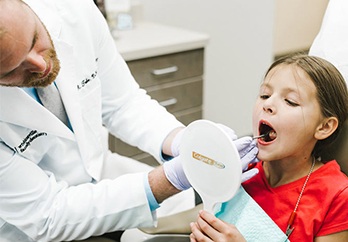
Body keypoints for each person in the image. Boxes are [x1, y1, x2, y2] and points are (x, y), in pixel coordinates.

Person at [0, 0, 259, 241]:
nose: (41, 65)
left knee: (189, 204)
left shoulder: (73, 10)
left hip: (102, 175)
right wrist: (171, 178)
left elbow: (123, 102)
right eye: (13, 69)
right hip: (31, 229)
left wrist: (181, 141)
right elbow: (50, 214)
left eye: (35, 38)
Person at [189, 54, 348, 241]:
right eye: (265, 95)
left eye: (290, 101)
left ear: (324, 127)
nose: (268, 104)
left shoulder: (337, 196)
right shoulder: (242, 169)